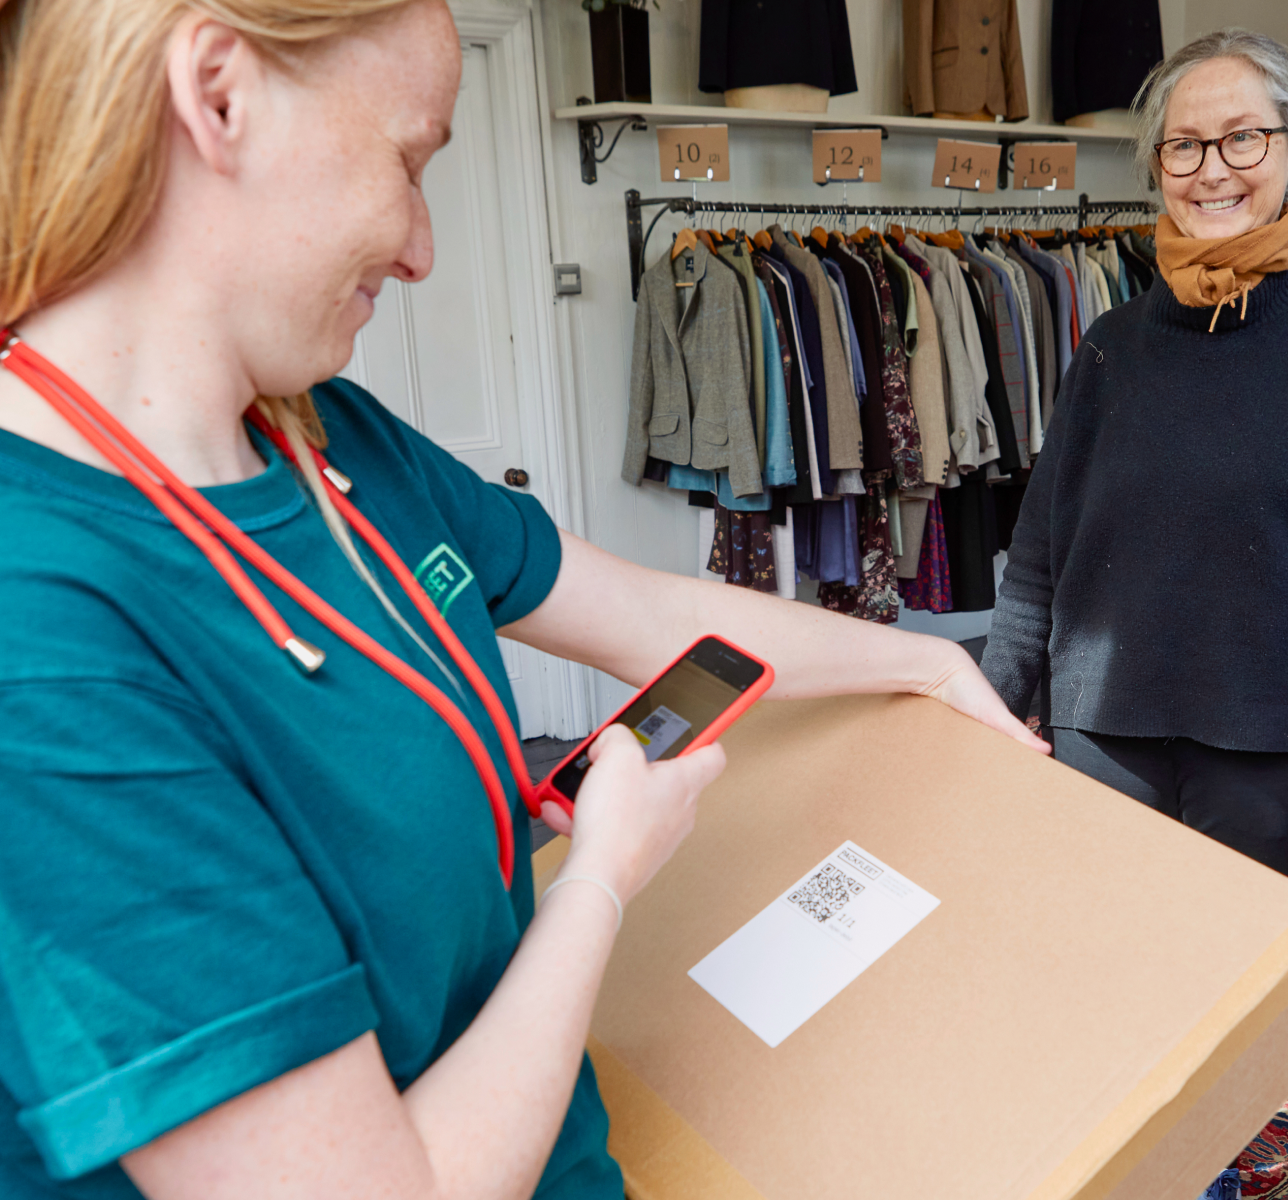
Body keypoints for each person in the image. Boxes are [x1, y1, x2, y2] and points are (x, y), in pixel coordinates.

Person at [0, 2, 1047, 1197]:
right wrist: (599, 877)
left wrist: (928, 663)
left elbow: (654, 621)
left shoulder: (330, 437)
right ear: (219, 93)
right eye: (407, 162)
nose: (420, 250)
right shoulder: (38, 627)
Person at [982, 28, 1288, 875]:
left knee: (1251, 960)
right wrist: (995, 708)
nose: (1212, 169)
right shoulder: (1111, 346)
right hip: (1100, 740)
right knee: (1102, 943)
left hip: (1266, 751)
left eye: (1243, 137)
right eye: (1184, 145)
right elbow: (1038, 560)